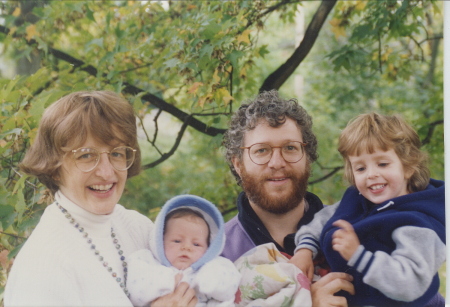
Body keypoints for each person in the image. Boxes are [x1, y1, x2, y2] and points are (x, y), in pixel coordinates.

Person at [4, 91, 197, 307]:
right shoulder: (42, 266)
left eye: (116, 153)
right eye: (86, 155)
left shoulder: (139, 228)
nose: (106, 172)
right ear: (54, 168)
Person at [292, 112, 446, 306]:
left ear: (408, 166)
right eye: (360, 168)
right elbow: (322, 220)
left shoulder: (419, 223)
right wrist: (305, 250)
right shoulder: (359, 199)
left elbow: (409, 283)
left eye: (382, 164)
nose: (371, 174)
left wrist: (359, 255)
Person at [222, 89, 355, 306]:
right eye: (261, 150)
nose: (277, 162)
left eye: (290, 148)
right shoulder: (215, 254)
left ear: (308, 158)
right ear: (238, 164)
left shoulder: (353, 229)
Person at [127, 194, 240, 306]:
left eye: (196, 244)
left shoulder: (214, 265)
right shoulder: (148, 261)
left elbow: (229, 287)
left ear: (208, 249)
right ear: (160, 242)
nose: (187, 247)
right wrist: (167, 282)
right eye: (177, 241)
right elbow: (136, 292)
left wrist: (209, 282)